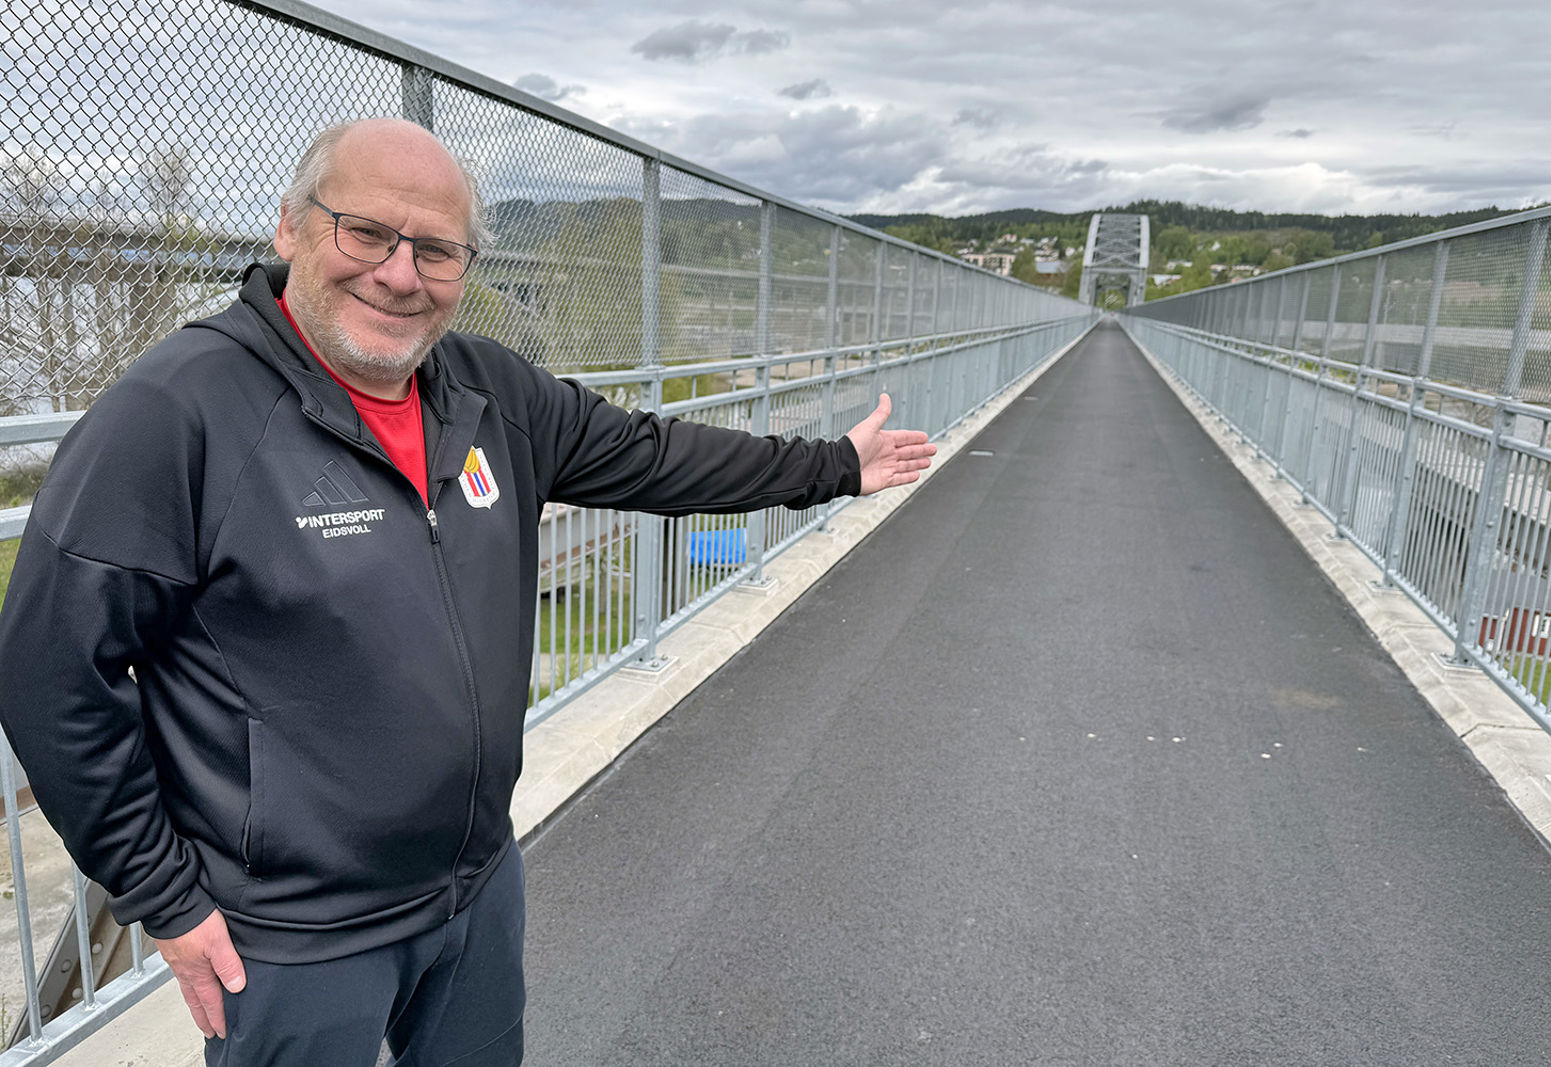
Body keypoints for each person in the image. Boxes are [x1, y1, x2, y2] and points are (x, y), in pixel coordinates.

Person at [0, 118, 935, 1066]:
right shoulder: (180, 410)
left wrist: (832, 466)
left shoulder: (487, 393)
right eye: (365, 232)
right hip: (294, 936)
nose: (401, 274)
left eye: (437, 250)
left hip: (476, 886)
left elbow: (654, 453)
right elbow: (50, 668)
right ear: (289, 228)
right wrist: (163, 894)